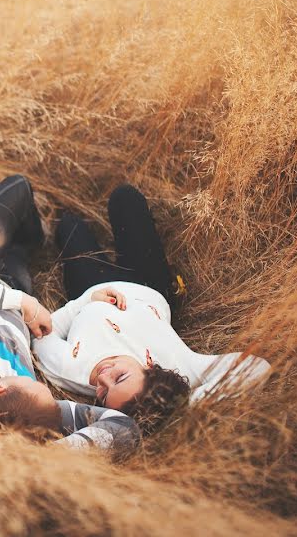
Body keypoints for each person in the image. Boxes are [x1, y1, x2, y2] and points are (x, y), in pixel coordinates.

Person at [0, 176, 140, 450]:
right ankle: (30, 238)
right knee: (19, 250)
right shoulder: (30, 410)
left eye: (29, 381)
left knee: (17, 187)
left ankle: (28, 231)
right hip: (15, 286)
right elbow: (124, 429)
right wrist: (53, 456)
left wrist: (24, 303)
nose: (30, 377)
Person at [32, 184, 272, 433]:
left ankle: (57, 211)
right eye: (120, 378)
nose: (103, 378)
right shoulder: (179, 363)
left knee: (69, 226)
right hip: (146, 283)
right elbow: (256, 367)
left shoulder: (71, 372)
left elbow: (43, 334)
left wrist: (86, 302)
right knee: (125, 197)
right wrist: (183, 404)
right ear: (152, 372)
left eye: (103, 395)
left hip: (91, 287)